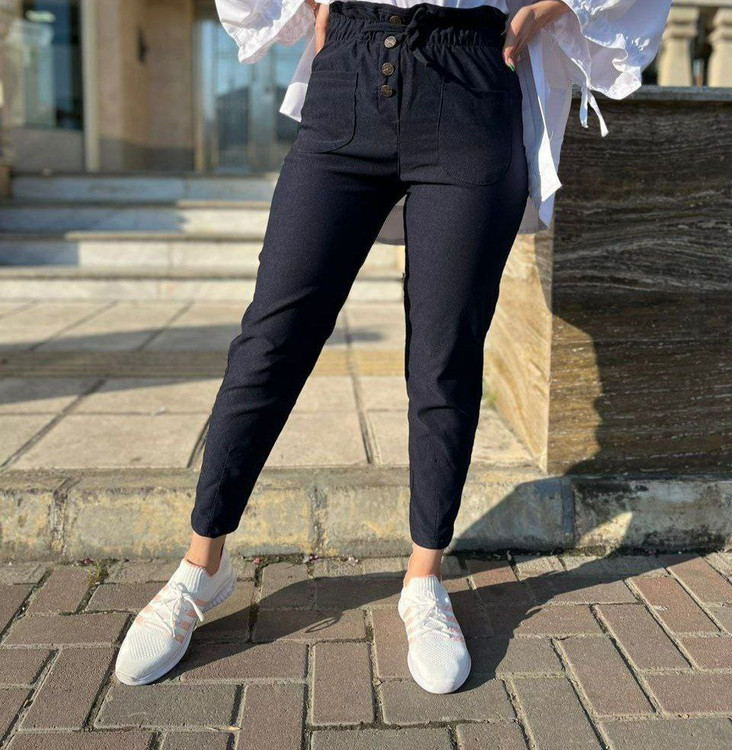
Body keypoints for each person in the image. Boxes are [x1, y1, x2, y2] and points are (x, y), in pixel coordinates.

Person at [115, 0, 671, 693]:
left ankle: (423, 578)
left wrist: (552, 8)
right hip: (350, 68)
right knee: (271, 339)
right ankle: (202, 566)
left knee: (445, 354)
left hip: (471, 79)